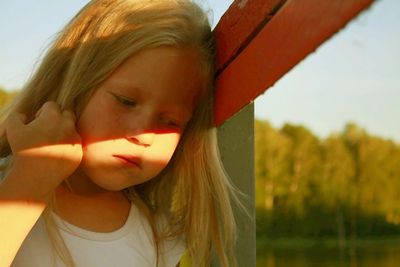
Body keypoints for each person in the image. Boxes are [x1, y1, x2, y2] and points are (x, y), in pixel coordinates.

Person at [0, 0, 240, 266]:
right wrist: (30, 177)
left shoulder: (162, 240)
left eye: (170, 121)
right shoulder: (7, 183)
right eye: (126, 101)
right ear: (74, 80)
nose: (143, 134)